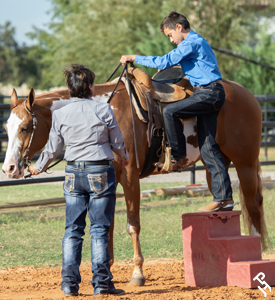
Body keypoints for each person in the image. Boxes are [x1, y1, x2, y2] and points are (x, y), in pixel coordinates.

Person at [28, 64, 129, 297]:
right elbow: (118, 143)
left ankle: (69, 285)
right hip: (100, 172)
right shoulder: (103, 109)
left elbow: (52, 148)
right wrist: (124, 158)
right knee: (100, 230)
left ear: (69, 88)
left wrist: (38, 167)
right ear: (91, 87)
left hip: (73, 174)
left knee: (73, 230)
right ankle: (102, 284)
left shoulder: (60, 113)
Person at [120, 11, 234, 212]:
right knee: (208, 147)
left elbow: (164, 62)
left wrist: (134, 57)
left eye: (170, 35)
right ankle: (224, 198)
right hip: (211, 92)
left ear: (179, 27)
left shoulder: (190, 43)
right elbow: (178, 67)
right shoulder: (195, 43)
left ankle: (177, 157)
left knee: (171, 111)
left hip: (208, 93)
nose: (171, 40)